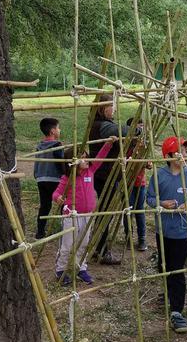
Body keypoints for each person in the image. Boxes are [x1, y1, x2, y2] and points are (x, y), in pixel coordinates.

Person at [146, 136, 187, 333]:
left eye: (185, 151)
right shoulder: (158, 176)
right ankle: (168, 290)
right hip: (163, 230)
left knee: (177, 269)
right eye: (180, 151)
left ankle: (177, 311)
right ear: (168, 156)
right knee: (164, 264)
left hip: (182, 231)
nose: (184, 155)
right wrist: (161, 203)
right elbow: (149, 198)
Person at [53, 137, 117, 285]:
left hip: (87, 215)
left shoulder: (90, 171)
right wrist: (58, 199)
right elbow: (56, 193)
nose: (86, 159)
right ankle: (60, 269)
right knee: (67, 245)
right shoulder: (67, 178)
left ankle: (81, 268)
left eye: (86, 156)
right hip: (71, 216)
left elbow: (100, 158)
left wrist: (108, 145)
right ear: (73, 161)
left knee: (83, 243)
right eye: (82, 157)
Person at [89, 94, 140, 264]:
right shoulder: (102, 125)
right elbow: (122, 131)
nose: (115, 109)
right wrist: (138, 130)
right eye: (112, 106)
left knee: (106, 211)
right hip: (104, 174)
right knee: (106, 212)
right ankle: (101, 250)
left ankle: (98, 246)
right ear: (103, 108)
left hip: (105, 173)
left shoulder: (99, 123)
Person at [33, 118, 64, 239]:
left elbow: (37, 163)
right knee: (64, 204)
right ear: (52, 131)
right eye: (58, 128)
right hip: (55, 179)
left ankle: (40, 232)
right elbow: (61, 163)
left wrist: (37, 175)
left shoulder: (39, 146)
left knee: (45, 206)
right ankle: (65, 228)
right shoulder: (57, 145)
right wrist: (65, 174)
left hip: (41, 179)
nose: (59, 130)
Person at [123, 117, 149, 251]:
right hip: (127, 183)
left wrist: (145, 162)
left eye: (142, 127)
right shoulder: (125, 145)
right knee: (128, 211)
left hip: (140, 183)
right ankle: (128, 237)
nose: (140, 130)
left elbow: (148, 163)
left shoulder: (143, 145)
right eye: (138, 127)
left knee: (140, 211)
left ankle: (142, 239)